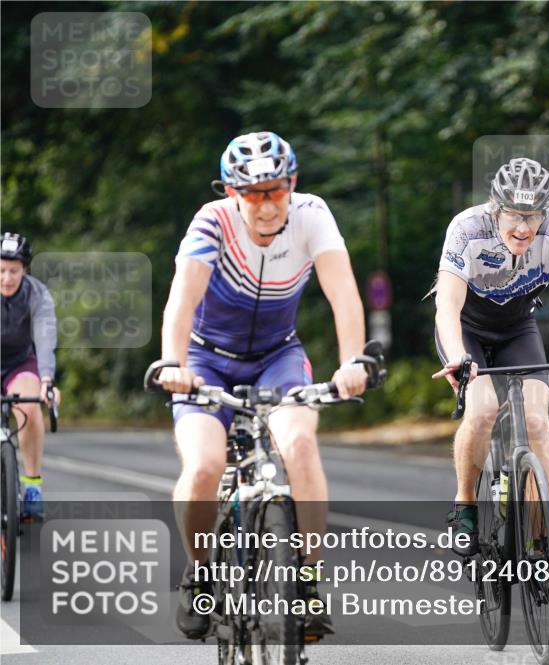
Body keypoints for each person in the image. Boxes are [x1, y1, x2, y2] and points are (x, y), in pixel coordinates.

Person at [157, 131, 368, 639]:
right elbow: (181, 301)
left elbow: (343, 294)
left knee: (298, 443)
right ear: (231, 192)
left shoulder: (312, 214)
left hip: (279, 355)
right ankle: (200, 572)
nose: (267, 204)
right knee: (205, 464)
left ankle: (309, 581)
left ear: (291, 184)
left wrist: (353, 361)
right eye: (252, 193)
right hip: (207, 360)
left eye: (275, 189)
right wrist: (172, 362)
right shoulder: (211, 223)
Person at [431, 157, 549, 600]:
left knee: (539, 423)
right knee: (484, 409)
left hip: (517, 328)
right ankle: (465, 504)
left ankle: (541, 546)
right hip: (466, 327)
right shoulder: (467, 229)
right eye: (515, 216)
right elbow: (446, 305)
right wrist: (458, 356)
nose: (524, 227)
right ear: (496, 208)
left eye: (533, 216)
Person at [0, 232, 60, 522]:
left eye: (13, 270)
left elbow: (45, 338)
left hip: (18, 364)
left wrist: (47, 380)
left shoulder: (37, 295)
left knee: (31, 405)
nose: (7, 278)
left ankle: (32, 487)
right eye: (1, 270)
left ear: (25, 270)